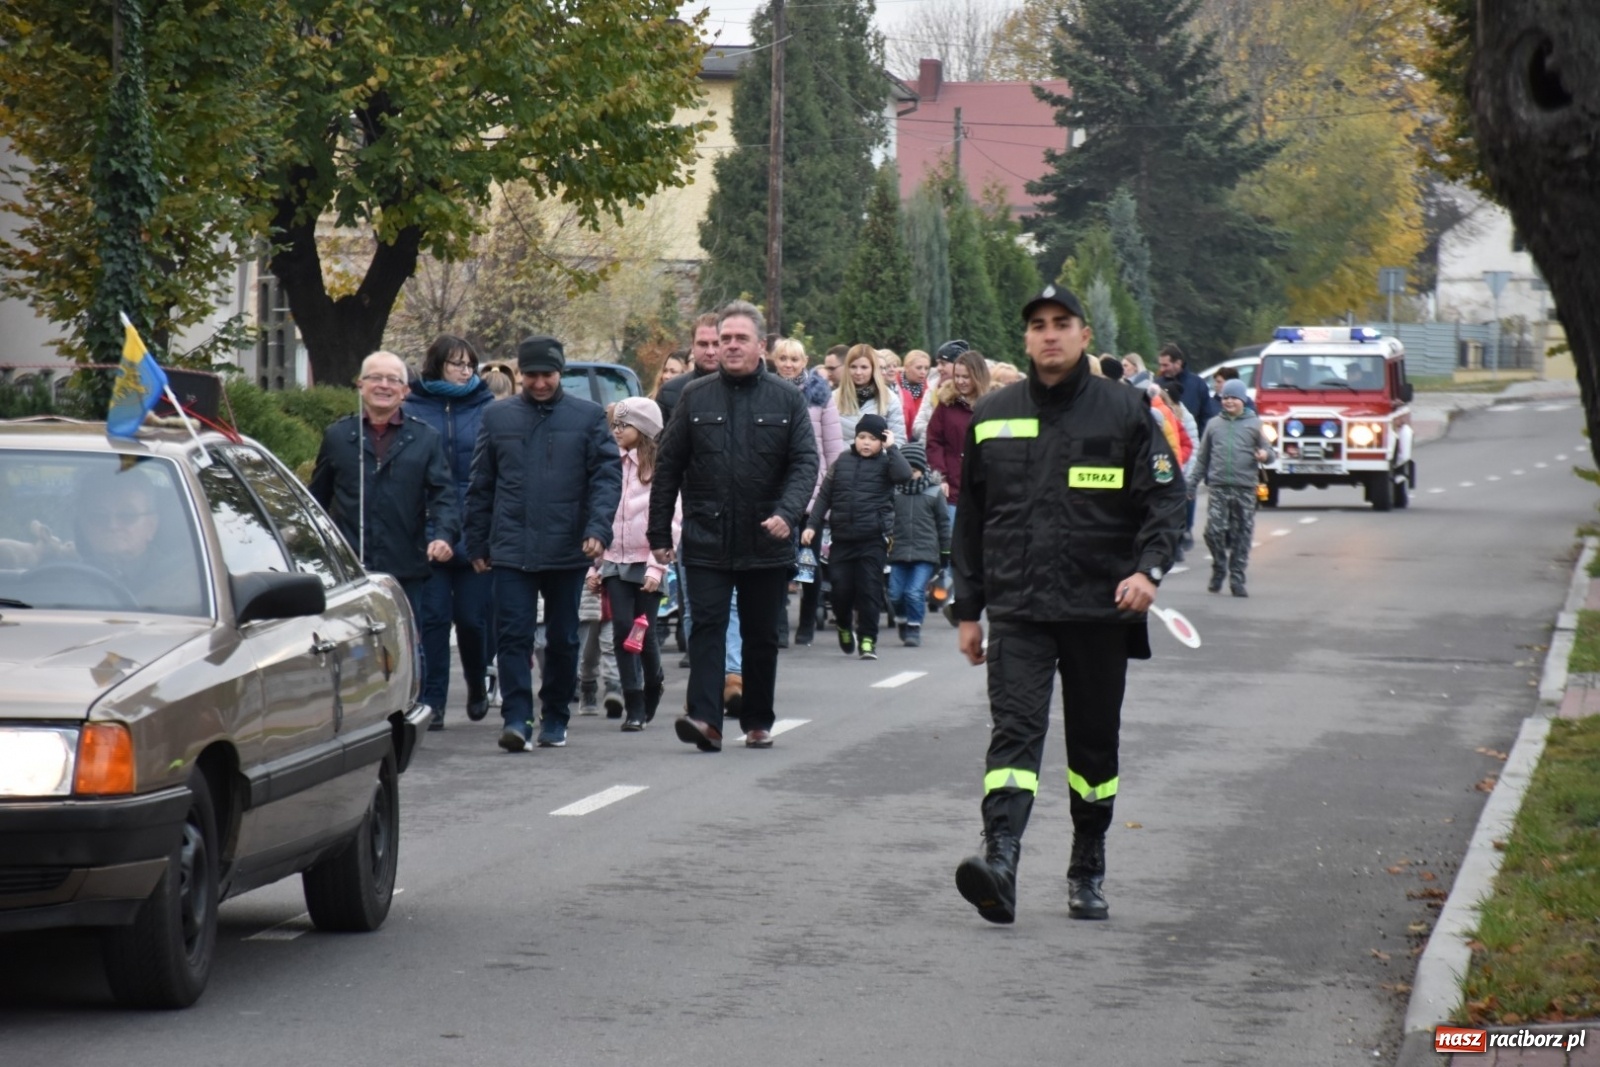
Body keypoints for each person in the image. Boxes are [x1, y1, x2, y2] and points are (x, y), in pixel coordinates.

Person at [951, 284, 1186, 925]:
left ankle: (1088, 864)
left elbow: (1166, 500)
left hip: (1099, 611)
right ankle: (1000, 859)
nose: (1049, 334)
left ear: (1084, 335)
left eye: (1062, 323)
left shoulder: (1124, 410)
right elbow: (969, 520)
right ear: (1024, 339)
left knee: (1092, 750)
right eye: (1038, 325)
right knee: (1015, 736)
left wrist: (1149, 571)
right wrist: (968, 611)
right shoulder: (993, 413)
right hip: (1020, 610)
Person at [648, 300, 818, 751]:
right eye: (725, 339)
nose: (731, 346)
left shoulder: (786, 397)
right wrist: (659, 534)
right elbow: (668, 466)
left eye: (741, 338)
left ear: (761, 346)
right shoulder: (694, 396)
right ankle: (705, 719)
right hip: (706, 535)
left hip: (766, 537)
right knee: (704, 627)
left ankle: (758, 719)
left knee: (761, 634)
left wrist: (787, 513)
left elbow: (805, 463)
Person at [466, 334, 622, 752]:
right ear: (519, 374)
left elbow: (606, 479)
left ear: (561, 373)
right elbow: (481, 484)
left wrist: (597, 529)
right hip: (511, 545)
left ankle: (555, 714)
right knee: (514, 635)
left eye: (547, 375)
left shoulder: (588, 417)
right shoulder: (497, 418)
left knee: (563, 637)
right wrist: (476, 542)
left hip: (568, 545)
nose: (539, 383)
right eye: (531, 375)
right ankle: (517, 717)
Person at [311, 352, 458, 714]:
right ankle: (357, 713)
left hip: (405, 563)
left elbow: (444, 496)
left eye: (393, 380)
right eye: (375, 378)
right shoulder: (338, 436)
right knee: (351, 645)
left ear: (405, 391)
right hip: (350, 565)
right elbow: (316, 499)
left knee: (405, 643)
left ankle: (412, 711)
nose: (384, 385)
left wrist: (443, 535)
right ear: (360, 385)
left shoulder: (425, 439)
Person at [402, 335, 497, 729]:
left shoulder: (488, 407)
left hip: (475, 526)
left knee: (473, 620)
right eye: (456, 363)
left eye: (469, 364)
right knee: (434, 619)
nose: (465, 371)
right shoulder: (413, 407)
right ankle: (433, 701)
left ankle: (477, 682)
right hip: (430, 527)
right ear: (437, 364)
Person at [592, 397, 678, 730]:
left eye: (623, 425)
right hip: (614, 560)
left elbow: (672, 519)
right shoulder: (609, 464)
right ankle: (634, 704)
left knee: (643, 633)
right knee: (622, 631)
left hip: (647, 563)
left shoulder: (658, 469)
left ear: (642, 430)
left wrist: (658, 567)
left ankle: (653, 680)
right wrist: (594, 565)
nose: (615, 431)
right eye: (613, 424)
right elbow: (600, 511)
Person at [802, 413, 910, 660]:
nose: (866, 443)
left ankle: (868, 640)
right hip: (842, 539)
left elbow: (904, 475)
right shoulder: (842, 461)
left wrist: (892, 449)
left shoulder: (887, 463)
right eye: (862, 437)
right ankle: (842, 625)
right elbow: (824, 496)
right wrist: (811, 525)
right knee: (840, 590)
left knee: (869, 592)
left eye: (873, 438)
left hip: (872, 540)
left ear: (882, 441)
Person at [772, 337, 844, 646]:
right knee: (776, 563)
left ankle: (806, 621)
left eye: (794, 359)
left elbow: (832, 446)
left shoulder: (820, 396)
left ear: (805, 361)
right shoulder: (767, 392)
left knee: (808, 561)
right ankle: (778, 625)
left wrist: (831, 492)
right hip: (776, 491)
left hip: (813, 491)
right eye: (783, 358)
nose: (788, 364)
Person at [1190, 378, 1274, 596]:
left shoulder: (1254, 424)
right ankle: (1219, 566)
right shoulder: (1213, 425)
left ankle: (1237, 578)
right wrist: (1191, 485)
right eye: (1225, 397)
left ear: (1243, 400)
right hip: (1218, 486)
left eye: (1233, 398)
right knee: (1213, 532)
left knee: (1241, 534)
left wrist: (1264, 455)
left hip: (1245, 487)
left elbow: (1270, 452)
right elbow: (1202, 459)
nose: (1228, 402)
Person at [887, 439, 950, 647]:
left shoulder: (933, 492)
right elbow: (885, 518)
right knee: (895, 594)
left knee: (913, 592)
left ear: (923, 470)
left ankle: (914, 627)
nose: (911, 474)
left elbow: (943, 523)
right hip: (898, 551)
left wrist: (945, 551)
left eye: (915, 470)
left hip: (925, 552)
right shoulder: (894, 492)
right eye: (907, 469)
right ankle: (902, 620)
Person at [924, 349, 990, 527]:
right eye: (957, 376)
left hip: (983, 489)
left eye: (966, 377)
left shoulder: (992, 405)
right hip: (952, 488)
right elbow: (934, 440)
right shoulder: (947, 404)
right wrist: (940, 476)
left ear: (978, 376)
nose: (960, 381)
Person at [657, 314, 721, 427]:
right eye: (703, 344)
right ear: (692, 346)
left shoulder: (743, 388)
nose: (710, 352)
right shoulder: (669, 392)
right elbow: (658, 442)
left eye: (716, 344)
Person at [835, 343, 903, 445]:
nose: (858, 372)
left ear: (873, 369)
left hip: (880, 459)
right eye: (853, 367)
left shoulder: (889, 399)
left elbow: (897, 440)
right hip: (842, 459)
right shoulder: (833, 398)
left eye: (864, 367)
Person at [911, 339, 969, 441]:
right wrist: (936, 433)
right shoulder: (932, 389)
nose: (938, 368)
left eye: (943, 363)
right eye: (938, 363)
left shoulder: (970, 392)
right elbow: (917, 424)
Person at [898, 349, 932, 440]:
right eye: (919, 368)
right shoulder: (894, 386)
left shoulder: (929, 393)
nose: (923, 372)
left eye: (926, 368)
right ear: (906, 367)